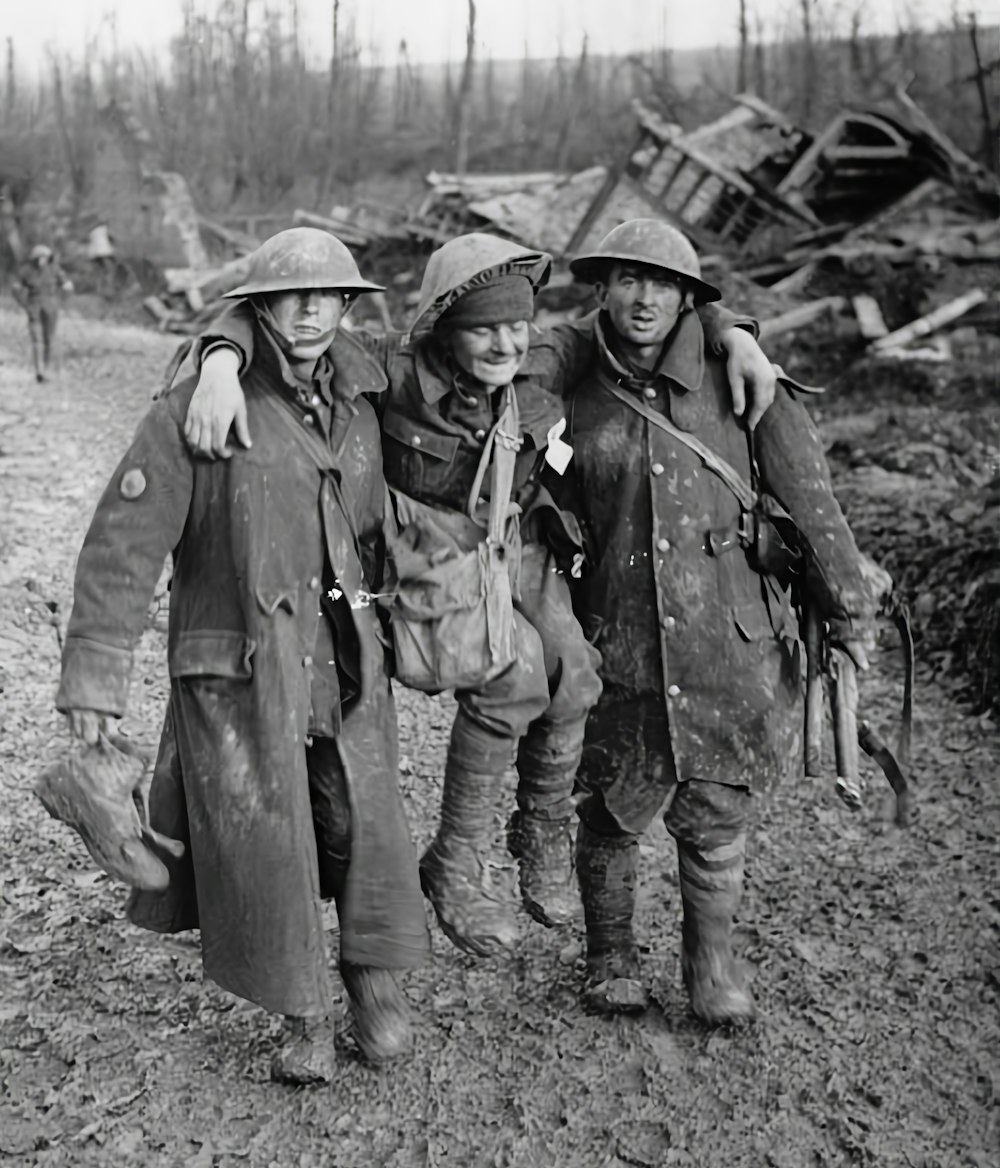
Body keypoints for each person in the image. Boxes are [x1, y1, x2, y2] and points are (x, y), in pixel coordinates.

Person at [185, 232, 777, 963]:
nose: (504, 344)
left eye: (516, 326)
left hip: (518, 543)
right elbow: (284, 329)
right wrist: (218, 359)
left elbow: (642, 322)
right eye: (483, 328)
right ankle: (457, 857)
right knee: (518, 674)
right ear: (442, 327)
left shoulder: (547, 357)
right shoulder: (387, 364)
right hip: (428, 556)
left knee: (575, 672)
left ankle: (539, 831)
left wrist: (734, 332)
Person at [55, 228, 429, 1086]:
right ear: (256, 309)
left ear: (348, 306)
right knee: (269, 839)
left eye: (327, 296)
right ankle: (305, 1013)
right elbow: (122, 544)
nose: (309, 311)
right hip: (242, 667)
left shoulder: (364, 398)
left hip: (343, 659)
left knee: (357, 827)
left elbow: (465, 354)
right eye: (287, 297)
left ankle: (373, 977)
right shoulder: (200, 403)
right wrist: (95, 675)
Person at [555, 218, 879, 1025]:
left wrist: (846, 608)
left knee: (716, 805)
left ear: (690, 299)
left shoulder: (741, 377)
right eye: (628, 279)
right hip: (614, 634)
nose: (643, 298)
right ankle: (610, 956)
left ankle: (711, 959)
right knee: (611, 801)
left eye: (663, 284)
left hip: (724, 637)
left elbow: (809, 497)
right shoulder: (570, 375)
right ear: (603, 287)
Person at [14, 243, 72, 381]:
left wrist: (61, 302)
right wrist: (23, 304)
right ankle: (39, 370)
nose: (41, 260)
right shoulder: (27, 271)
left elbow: (68, 286)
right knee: (36, 339)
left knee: (49, 339)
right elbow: (15, 288)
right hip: (34, 305)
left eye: (44, 257)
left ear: (48, 258)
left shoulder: (55, 270)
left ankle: (46, 368)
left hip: (51, 305)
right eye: (38, 257)